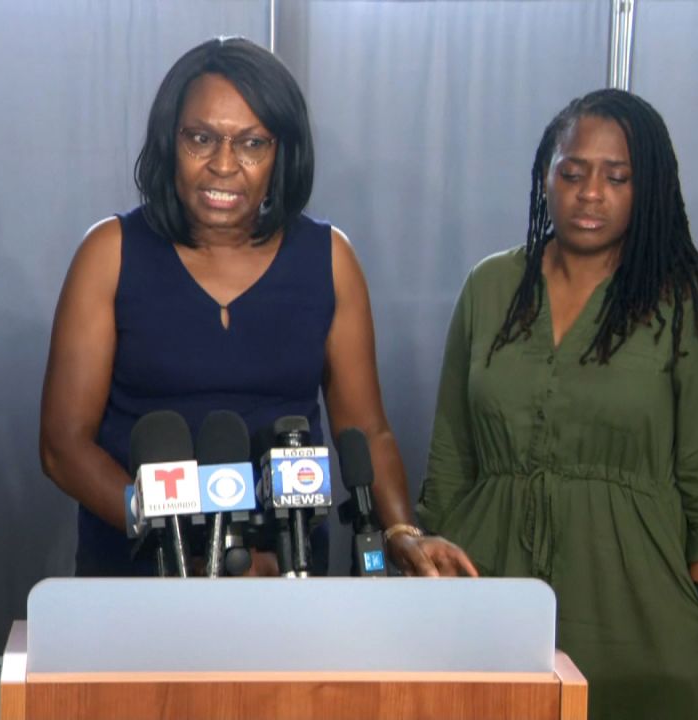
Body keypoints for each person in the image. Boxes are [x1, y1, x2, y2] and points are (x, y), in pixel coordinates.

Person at [39, 36, 475, 579]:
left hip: (284, 572)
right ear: (169, 141)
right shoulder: (110, 252)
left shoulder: (330, 258)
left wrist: (401, 532)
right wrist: (190, 550)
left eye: (251, 144)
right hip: (137, 574)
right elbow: (63, 447)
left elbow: (365, 430)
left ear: (281, 154)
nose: (224, 165)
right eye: (201, 138)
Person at [418, 88, 698, 719]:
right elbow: (451, 451)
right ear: (546, 177)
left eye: (616, 177)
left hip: (638, 620)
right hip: (491, 594)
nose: (590, 193)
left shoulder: (697, 311)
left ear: (648, 187)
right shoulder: (491, 287)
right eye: (572, 172)